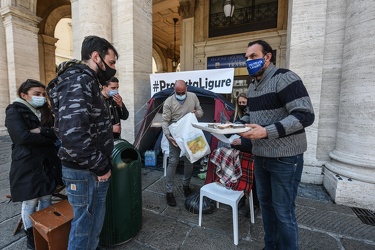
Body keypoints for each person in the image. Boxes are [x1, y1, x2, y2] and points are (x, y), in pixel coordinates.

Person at [240, 40, 315, 250]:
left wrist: (266, 131)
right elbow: (250, 116)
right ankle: (270, 246)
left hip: (285, 158)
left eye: (253, 56)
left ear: (268, 56)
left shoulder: (285, 78)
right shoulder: (252, 87)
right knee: (266, 208)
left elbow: (305, 115)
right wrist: (232, 126)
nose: (248, 61)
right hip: (261, 156)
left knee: (283, 212)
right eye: (246, 58)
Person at [47, 35, 118, 250]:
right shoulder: (79, 80)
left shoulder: (85, 80)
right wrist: (101, 165)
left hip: (87, 169)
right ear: (96, 56)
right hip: (86, 171)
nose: (113, 68)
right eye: (111, 62)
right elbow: (74, 134)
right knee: (85, 230)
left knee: (90, 227)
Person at [5, 79, 61, 249]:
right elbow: (21, 137)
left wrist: (42, 131)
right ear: (24, 95)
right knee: (30, 201)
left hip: (47, 161)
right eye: (37, 94)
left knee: (46, 197)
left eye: (43, 94)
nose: (41, 97)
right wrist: (47, 136)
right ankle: (31, 236)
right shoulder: (14, 110)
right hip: (27, 163)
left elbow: (57, 132)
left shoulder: (45, 110)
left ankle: (46, 229)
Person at [162, 80, 204, 206]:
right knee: (173, 161)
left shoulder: (193, 97)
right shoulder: (169, 101)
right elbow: (165, 121)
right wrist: (168, 136)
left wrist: (196, 113)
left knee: (190, 160)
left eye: (183, 92)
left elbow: (201, 113)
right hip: (175, 135)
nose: (181, 95)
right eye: (178, 93)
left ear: (186, 89)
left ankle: (186, 186)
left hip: (190, 134)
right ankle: (169, 192)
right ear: (174, 90)